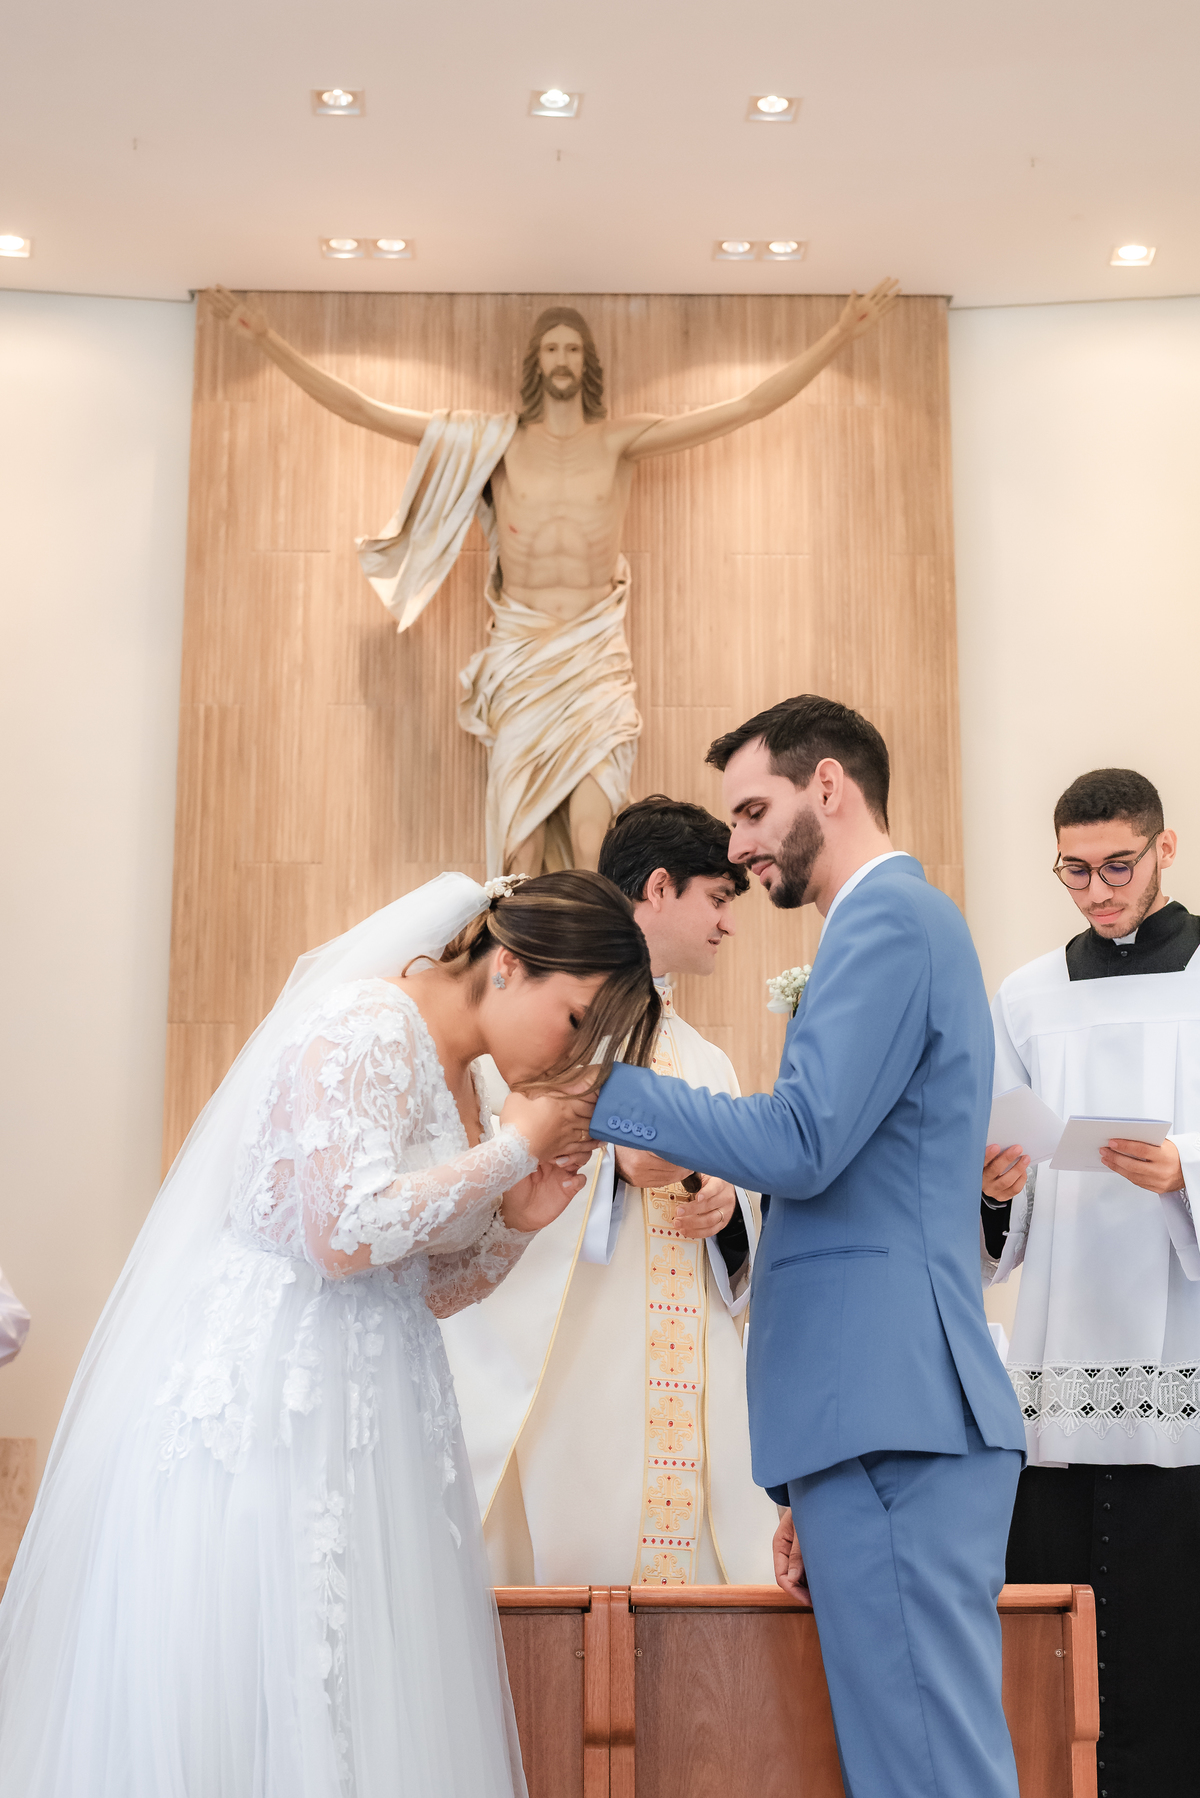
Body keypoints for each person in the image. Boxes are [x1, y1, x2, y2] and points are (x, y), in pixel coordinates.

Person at [0, 871, 657, 1798]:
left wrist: (521, 1216)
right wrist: (510, 1150)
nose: (576, 1053)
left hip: (380, 1403)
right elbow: (341, 1234)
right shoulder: (364, 1024)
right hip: (280, 1395)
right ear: (509, 965)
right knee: (263, 1673)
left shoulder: (469, 1080)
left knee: (362, 1684)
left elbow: (422, 1289)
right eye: (578, 1019)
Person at [576, 696, 1026, 1798]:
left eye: (752, 809)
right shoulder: (881, 927)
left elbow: (805, 1141)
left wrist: (608, 1089)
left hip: (894, 1418)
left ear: (829, 785)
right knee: (904, 1763)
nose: (736, 845)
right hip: (868, 1419)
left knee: (930, 1771)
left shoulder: (886, 920)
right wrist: (800, 1482)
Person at [208, 283, 898, 875]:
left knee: (600, 836)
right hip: (525, 654)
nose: (562, 359)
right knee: (522, 843)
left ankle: (601, 981)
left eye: (572, 349)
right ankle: (522, 979)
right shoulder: (496, 443)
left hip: (595, 655)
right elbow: (368, 412)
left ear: (585, 363)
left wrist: (840, 333)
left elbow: (745, 406)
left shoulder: (618, 442)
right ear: (535, 363)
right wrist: (267, 338)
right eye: (551, 349)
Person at [440, 797, 779, 1586]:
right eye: (720, 898)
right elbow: (478, 1177)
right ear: (659, 889)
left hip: (686, 1376)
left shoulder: (707, 1061)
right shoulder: (532, 1026)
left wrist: (728, 1210)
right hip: (576, 1374)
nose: (729, 923)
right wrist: (608, 1178)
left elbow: (746, 1233)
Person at [981, 768, 1200, 1798]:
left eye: (1119, 864)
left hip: (1182, 1358)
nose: (1098, 890)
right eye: (1075, 869)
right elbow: (995, 1204)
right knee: (1056, 1648)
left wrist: (1189, 1169)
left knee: (1172, 1643)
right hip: (1061, 1358)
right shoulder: (1026, 995)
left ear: (1166, 848)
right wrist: (992, 1189)